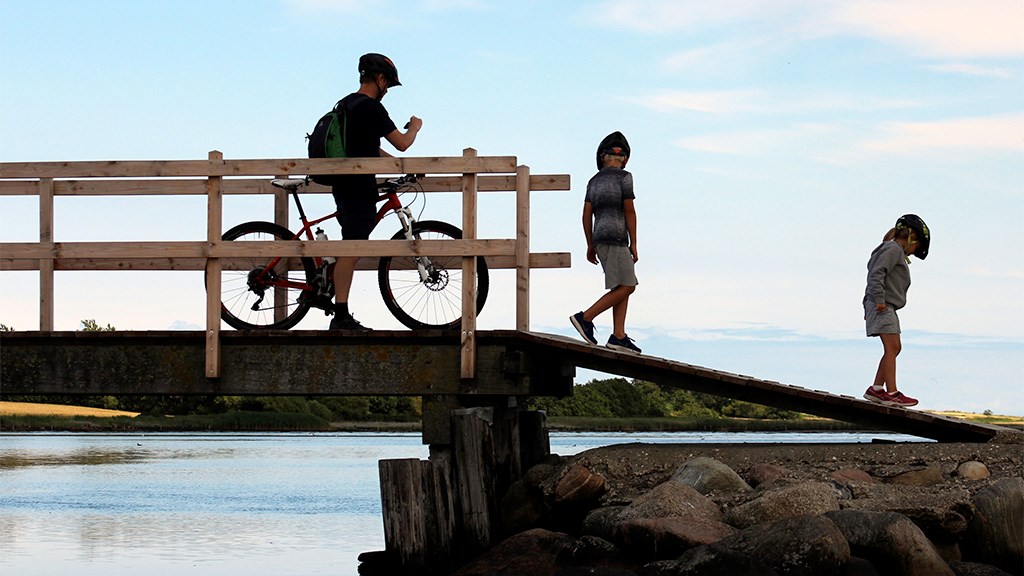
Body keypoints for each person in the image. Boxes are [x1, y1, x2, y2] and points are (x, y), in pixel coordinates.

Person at [328, 53, 422, 330]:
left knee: (352, 243)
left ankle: (333, 293)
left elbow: (368, 151)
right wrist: (415, 127)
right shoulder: (371, 108)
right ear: (380, 79)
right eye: (389, 86)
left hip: (344, 185)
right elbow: (402, 144)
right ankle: (341, 316)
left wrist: (397, 170)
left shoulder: (346, 104)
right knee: (352, 247)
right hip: (357, 187)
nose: (387, 92)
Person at [570, 131, 641, 354]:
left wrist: (589, 244)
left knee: (622, 285)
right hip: (617, 238)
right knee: (628, 286)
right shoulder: (624, 177)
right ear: (625, 159)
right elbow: (629, 210)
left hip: (600, 239)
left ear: (602, 158)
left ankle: (618, 336)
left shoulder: (593, 181)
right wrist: (634, 243)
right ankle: (585, 318)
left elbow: (586, 214)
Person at [862, 214, 931, 407]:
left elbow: (874, 275)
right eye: (916, 247)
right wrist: (878, 301)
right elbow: (876, 274)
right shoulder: (892, 249)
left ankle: (876, 389)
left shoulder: (892, 250)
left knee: (895, 348)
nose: (913, 252)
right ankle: (891, 393)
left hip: (883, 304)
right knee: (892, 348)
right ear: (911, 238)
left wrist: (869, 303)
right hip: (883, 305)